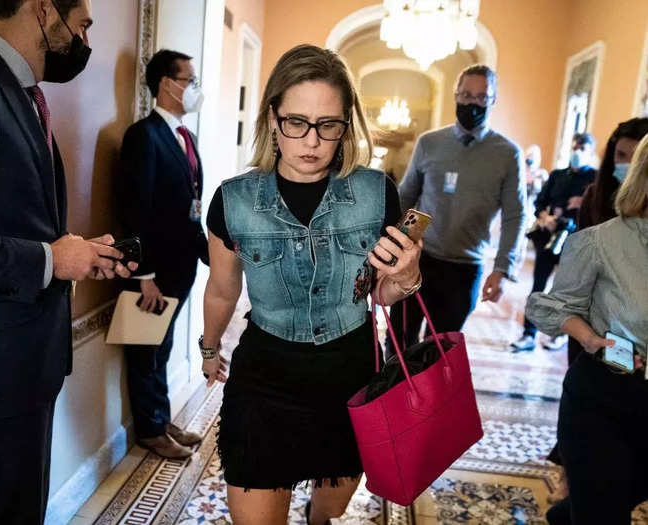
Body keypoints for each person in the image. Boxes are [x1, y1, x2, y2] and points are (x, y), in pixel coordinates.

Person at [200, 44, 422, 525]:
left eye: (328, 125)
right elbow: (221, 289)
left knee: (326, 514)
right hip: (264, 384)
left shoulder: (375, 192)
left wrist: (405, 279)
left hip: (349, 379)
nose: (312, 141)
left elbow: (377, 292)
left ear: (347, 124)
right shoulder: (234, 201)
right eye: (296, 122)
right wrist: (209, 347)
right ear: (273, 118)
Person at [0, 1, 136, 523]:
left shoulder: (21, 93)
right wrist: (50, 259)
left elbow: (13, 223)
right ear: (42, 9)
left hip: (27, 362)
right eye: (82, 25)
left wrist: (77, 258)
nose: (85, 40)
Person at [526, 133, 648, 525]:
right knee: (603, 514)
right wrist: (591, 338)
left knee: (609, 499)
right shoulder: (603, 241)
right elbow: (551, 307)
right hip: (605, 396)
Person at [389, 64, 526, 355]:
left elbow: (516, 215)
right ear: (455, 95)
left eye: (480, 97)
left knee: (440, 349)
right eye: (465, 94)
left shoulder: (507, 154)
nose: (471, 103)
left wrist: (502, 268)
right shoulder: (429, 143)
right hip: (419, 258)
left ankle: (430, 400)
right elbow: (406, 196)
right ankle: (395, 399)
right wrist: (392, 246)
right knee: (399, 342)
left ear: (492, 100)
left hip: (465, 269)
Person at [120, 49, 209, 459]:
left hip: (182, 265)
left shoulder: (185, 138)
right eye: (189, 80)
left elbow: (190, 205)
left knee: (164, 345)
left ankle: (161, 417)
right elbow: (133, 209)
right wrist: (144, 275)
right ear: (166, 84)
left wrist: (213, 254)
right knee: (145, 348)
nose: (194, 88)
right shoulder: (143, 136)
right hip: (151, 271)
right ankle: (150, 430)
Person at [512, 133, 597, 352]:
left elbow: (599, 212)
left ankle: (560, 335)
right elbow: (540, 202)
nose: (577, 151)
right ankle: (528, 334)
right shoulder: (558, 175)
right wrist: (544, 217)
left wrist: (584, 201)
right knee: (538, 286)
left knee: (568, 293)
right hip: (549, 237)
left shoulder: (595, 179)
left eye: (583, 147)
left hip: (576, 241)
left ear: (590, 151)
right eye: (575, 146)